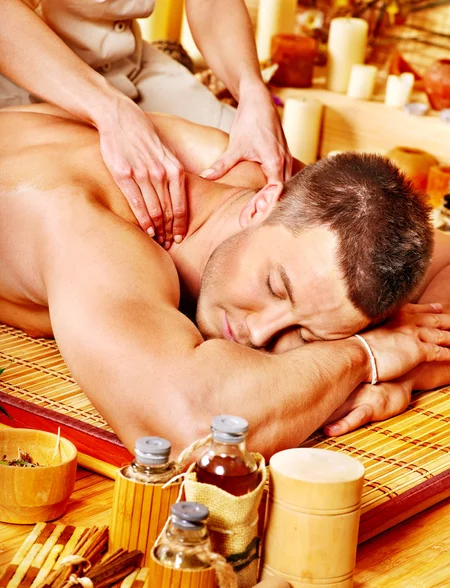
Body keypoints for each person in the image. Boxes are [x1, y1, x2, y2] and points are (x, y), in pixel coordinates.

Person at [1, 103, 450, 458]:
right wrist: (364, 355)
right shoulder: (95, 232)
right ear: (262, 205)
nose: (259, 333)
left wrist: (405, 375)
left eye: (305, 333)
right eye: (275, 287)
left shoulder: (300, 210)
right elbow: (193, 427)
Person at [1, 0, 291, 248]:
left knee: (269, 171)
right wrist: (108, 109)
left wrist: (251, 89)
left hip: (127, 61)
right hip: (29, 67)